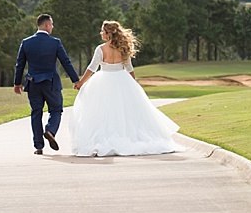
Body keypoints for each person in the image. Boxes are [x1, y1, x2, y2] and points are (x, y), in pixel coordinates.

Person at [69, 20, 181, 157]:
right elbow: (129, 68)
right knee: (124, 111)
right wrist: (133, 83)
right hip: (122, 78)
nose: (100, 33)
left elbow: (92, 68)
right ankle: (126, 136)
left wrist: (80, 83)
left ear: (108, 34)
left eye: (102, 31)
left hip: (104, 79)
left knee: (105, 111)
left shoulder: (101, 49)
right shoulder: (123, 48)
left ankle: (107, 137)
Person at [13, 13, 81, 155]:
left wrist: (17, 83)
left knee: (36, 112)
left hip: (33, 83)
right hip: (51, 83)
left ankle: (38, 146)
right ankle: (50, 130)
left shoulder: (26, 42)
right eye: (51, 24)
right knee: (56, 109)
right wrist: (76, 80)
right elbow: (65, 62)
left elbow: (20, 64)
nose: (52, 26)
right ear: (46, 25)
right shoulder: (55, 42)